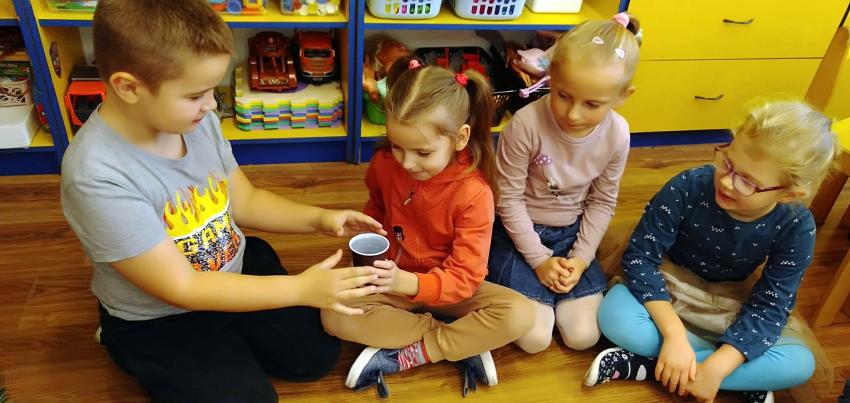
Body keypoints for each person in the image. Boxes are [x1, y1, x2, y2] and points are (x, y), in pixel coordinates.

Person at [60, 1, 384, 401]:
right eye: (196, 94)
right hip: (161, 314)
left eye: (212, 90)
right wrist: (301, 290)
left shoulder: (196, 121)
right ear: (129, 87)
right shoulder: (96, 176)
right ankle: (122, 341)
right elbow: (182, 287)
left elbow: (244, 200)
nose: (212, 105)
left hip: (228, 265)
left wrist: (319, 218)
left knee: (314, 357)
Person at [586, 101, 840, 403]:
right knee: (615, 316)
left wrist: (721, 365)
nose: (727, 181)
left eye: (747, 182)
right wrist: (674, 336)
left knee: (799, 364)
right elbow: (640, 259)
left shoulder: (796, 225)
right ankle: (737, 378)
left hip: (728, 301)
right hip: (666, 282)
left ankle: (652, 367)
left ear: (788, 194)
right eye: (728, 162)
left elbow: (772, 305)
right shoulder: (690, 184)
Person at [321, 57, 534, 398]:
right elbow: (377, 207)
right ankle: (461, 341)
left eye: (422, 152)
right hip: (391, 280)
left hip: (447, 289)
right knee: (333, 315)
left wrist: (407, 282)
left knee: (521, 315)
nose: (407, 162)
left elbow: (465, 278)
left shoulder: (473, 193)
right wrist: (367, 232)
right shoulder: (384, 164)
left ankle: (421, 351)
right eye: (397, 146)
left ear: (460, 138)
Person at [486, 13, 641, 354]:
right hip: (518, 233)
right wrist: (539, 260)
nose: (573, 114)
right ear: (550, 77)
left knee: (583, 336)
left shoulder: (618, 133)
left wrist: (581, 259)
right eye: (563, 95)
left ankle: (555, 289)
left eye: (592, 104)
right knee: (534, 339)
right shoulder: (525, 125)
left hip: (571, 235)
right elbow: (508, 199)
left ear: (623, 95)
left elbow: (602, 201)